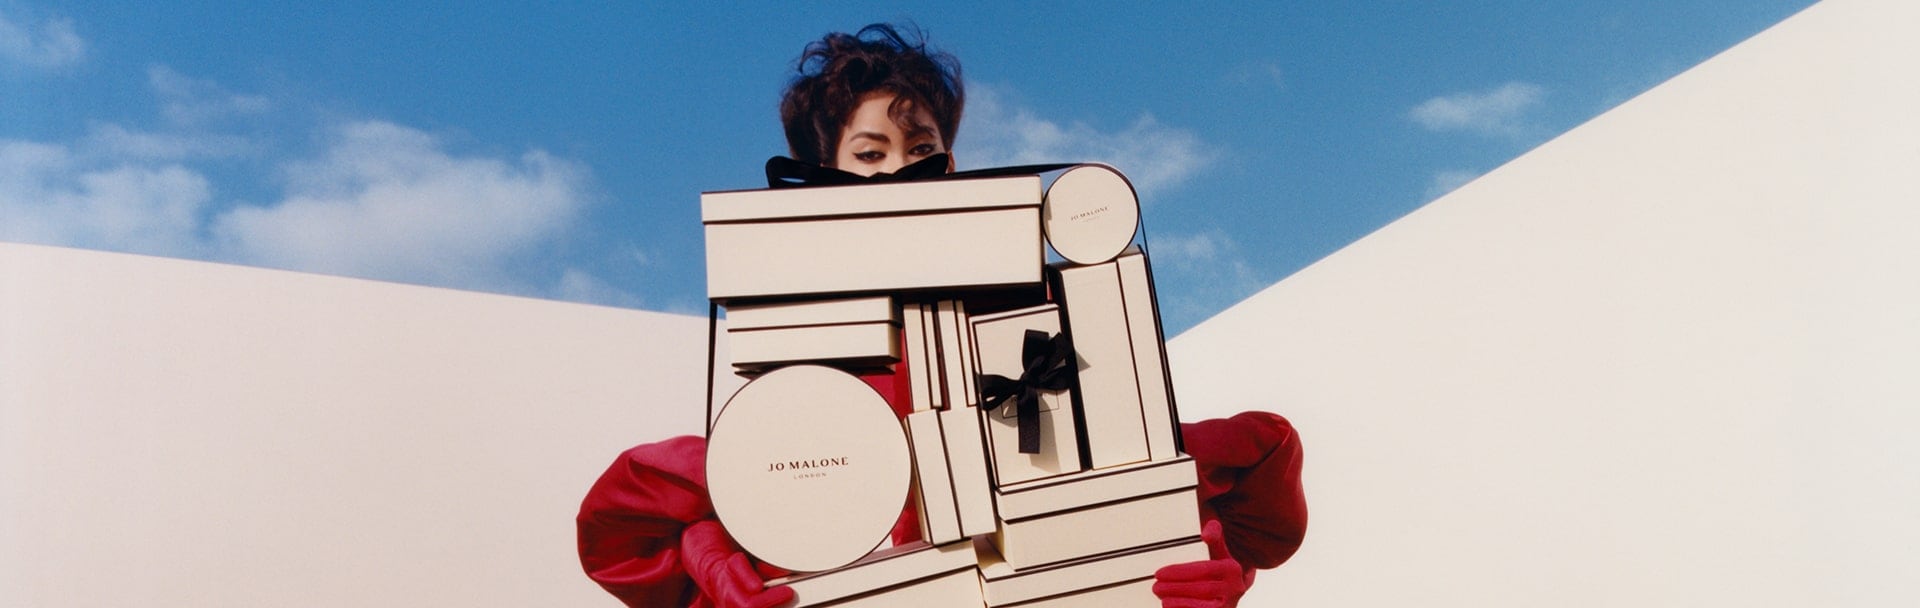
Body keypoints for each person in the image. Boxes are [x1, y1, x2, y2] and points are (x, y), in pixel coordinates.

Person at [576, 24, 1306, 608]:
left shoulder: (1032, 327)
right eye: (871, 153)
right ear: (821, 180)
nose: (901, 173)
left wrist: (1184, 548)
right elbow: (628, 530)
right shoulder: (800, 360)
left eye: (923, 149)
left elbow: (1215, 481)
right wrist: (714, 548)